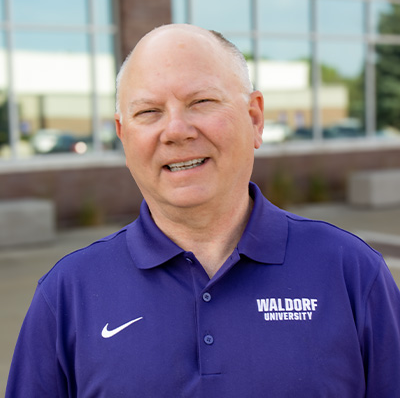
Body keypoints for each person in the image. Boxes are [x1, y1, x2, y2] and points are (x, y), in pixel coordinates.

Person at [6, 24, 400, 398]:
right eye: (148, 112)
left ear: (255, 118)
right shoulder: (68, 294)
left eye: (201, 102)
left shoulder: (350, 272)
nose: (176, 130)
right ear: (123, 136)